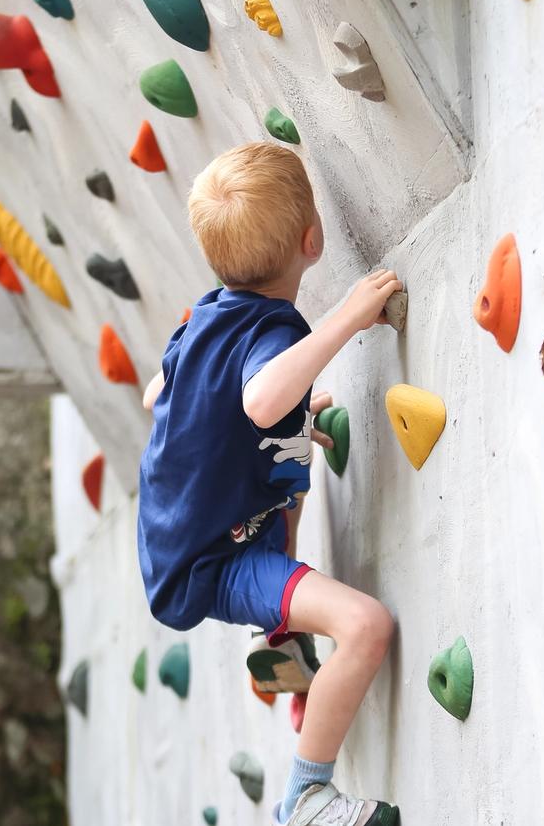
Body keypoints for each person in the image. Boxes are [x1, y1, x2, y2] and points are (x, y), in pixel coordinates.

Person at [138, 142, 402, 826]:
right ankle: (305, 797)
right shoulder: (275, 327)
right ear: (313, 239)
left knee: (291, 450)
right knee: (366, 627)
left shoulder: (203, 315)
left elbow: (156, 396)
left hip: (179, 530)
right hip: (217, 561)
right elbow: (258, 401)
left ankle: (280, 635)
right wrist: (346, 316)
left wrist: (275, 422)